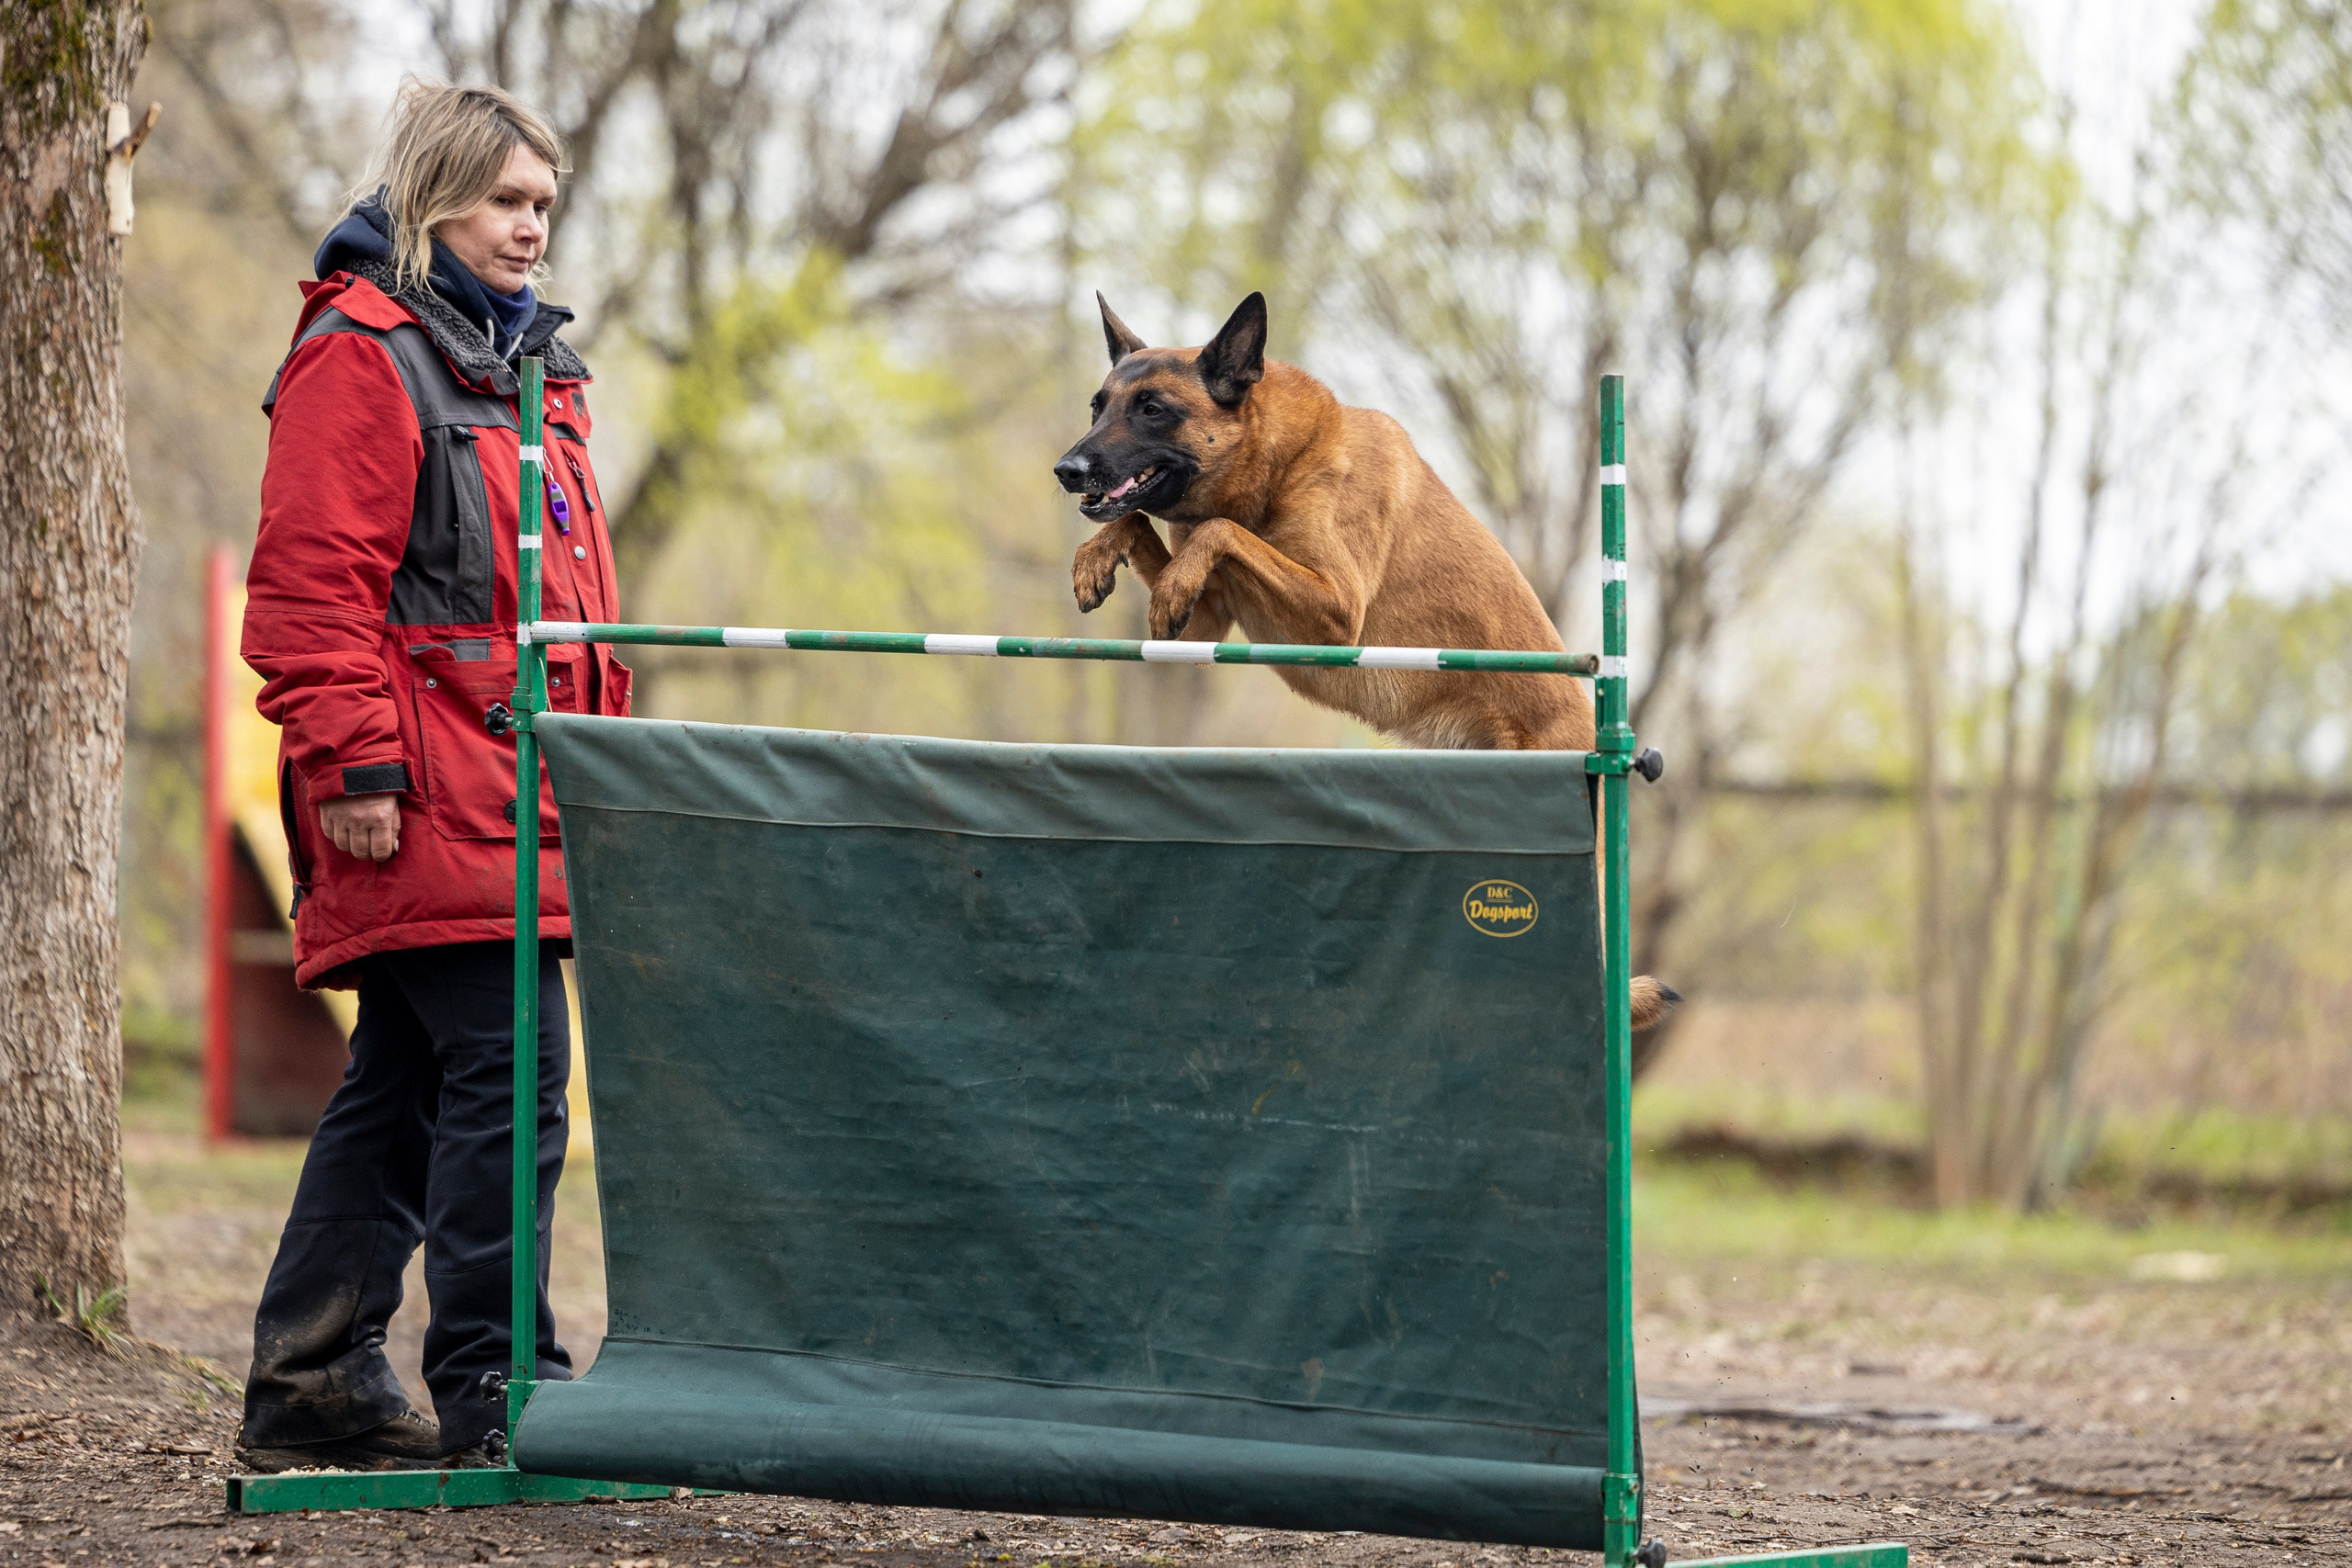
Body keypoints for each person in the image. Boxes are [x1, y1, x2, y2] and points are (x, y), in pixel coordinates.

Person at [234, 80, 631, 1472]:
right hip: (412, 791)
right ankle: (497, 1389)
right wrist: (353, 759)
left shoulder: (539, 373)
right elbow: (307, 589)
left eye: (546, 205)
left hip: (522, 792)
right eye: (508, 202)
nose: (533, 229)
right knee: (516, 1069)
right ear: (432, 198)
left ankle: (313, 1382)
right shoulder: (366, 351)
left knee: (404, 1084)